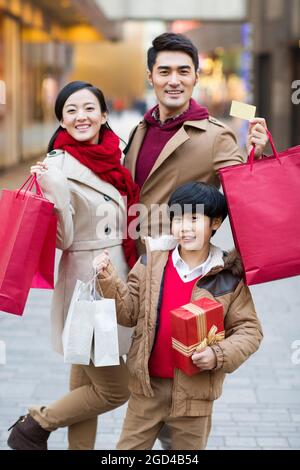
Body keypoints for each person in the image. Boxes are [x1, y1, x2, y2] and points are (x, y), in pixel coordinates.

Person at [7, 81, 140, 450]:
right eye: (71, 111)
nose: (81, 117)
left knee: (87, 387)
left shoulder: (115, 155)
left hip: (117, 275)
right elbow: (63, 240)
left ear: (104, 114)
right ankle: (35, 424)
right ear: (62, 122)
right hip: (88, 285)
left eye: (88, 108)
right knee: (116, 389)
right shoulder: (56, 166)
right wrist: (58, 191)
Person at [94, 182, 263, 450]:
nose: (184, 227)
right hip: (146, 390)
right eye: (178, 218)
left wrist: (217, 355)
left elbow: (250, 331)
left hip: (194, 398)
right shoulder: (152, 262)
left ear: (215, 222)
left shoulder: (228, 277)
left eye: (194, 219)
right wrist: (108, 279)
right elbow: (128, 313)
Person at [123, 33, 269, 253]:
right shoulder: (139, 130)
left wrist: (254, 159)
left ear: (196, 77)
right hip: (133, 264)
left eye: (183, 71)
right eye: (164, 72)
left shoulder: (216, 136)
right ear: (150, 77)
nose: (174, 81)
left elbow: (247, 203)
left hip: (180, 268)